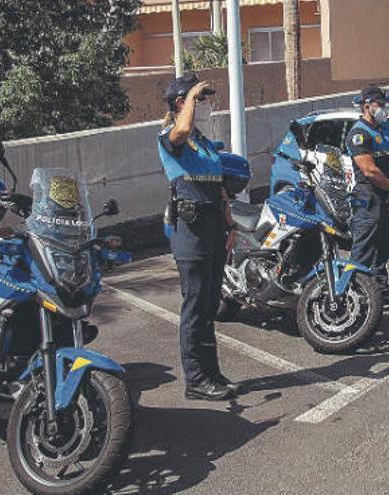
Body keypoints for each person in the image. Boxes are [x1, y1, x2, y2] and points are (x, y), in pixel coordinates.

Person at [158, 74, 238, 400]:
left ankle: (212, 373)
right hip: (190, 228)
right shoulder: (170, 135)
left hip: (214, 224)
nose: (204, 104)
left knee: (209, 303)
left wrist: (230, 225)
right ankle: (195, 379)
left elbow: (218, 186)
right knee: (194, 305)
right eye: (199, 99)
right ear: (181, 103)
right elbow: (181, 130)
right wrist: (191, 95)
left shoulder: (203, 142)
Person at [345, 85, 389, 307]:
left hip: (386, 196)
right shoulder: (359, 134)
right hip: (368, 198)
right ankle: (349, 294)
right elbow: (369, 170)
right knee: (363, 249)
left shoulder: (383, 130)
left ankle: (381, 292)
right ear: (366, 106)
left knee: (381, 247)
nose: (383, 109)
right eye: (379, 105)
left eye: (384, 104)